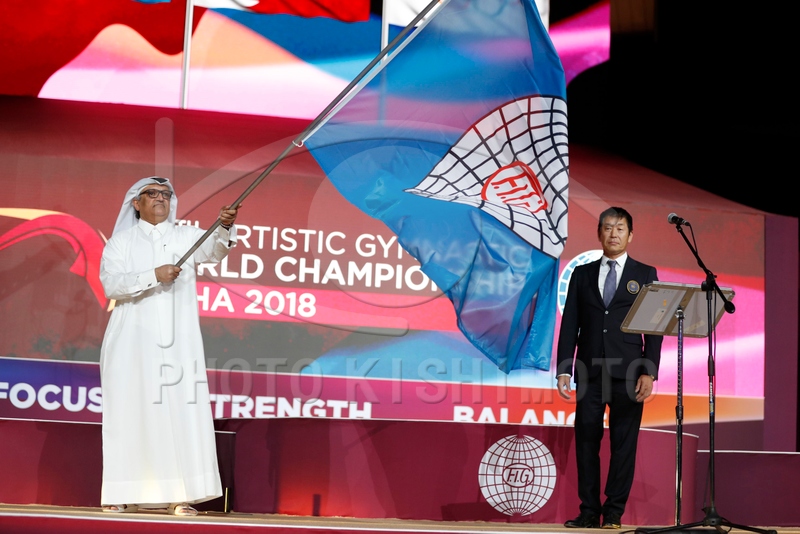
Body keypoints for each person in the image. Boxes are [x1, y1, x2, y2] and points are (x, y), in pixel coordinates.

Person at [99, 176, 239, 516]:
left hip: (179, 343)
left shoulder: (185, 237)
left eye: (166, 194)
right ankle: (121, 493)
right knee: (129, 414)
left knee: (179, 412)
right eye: (152, 193)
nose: (160, 198)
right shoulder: (120, 243)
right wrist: (154, 275)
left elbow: (215, 250)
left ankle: (180, 495)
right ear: (136, 203)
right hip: (130, 342)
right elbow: (111, 286)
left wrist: (223, 226)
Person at [556, 206, 662, 529]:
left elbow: (654, 327)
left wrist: (649, 371)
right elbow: (570, 323)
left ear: (630, 235)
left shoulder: (645, 273)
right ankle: (589, 511)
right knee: (586, 441)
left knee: (623, 445)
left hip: (629, 371)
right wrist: (564, 368)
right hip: (589, 371)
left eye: (620, 228)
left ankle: (613, 512)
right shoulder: (582, 274)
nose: (613, 233)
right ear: (599, 233)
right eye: (607, 228)